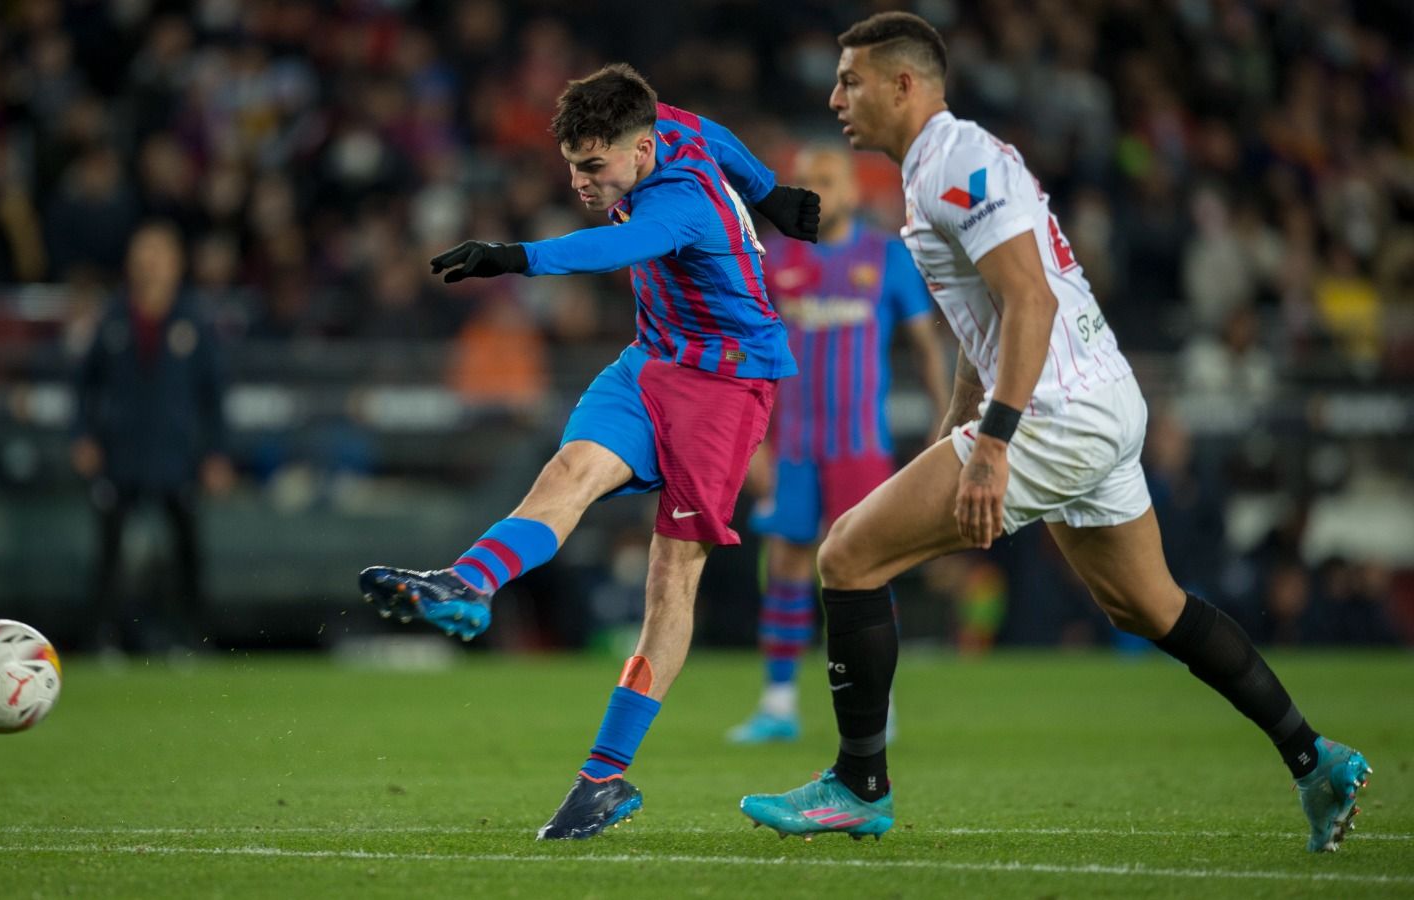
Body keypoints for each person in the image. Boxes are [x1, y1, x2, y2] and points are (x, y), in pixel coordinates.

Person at [739, 12, 1370, 853]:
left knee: (847, 554)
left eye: (850, 80)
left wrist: (990, 446)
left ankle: (859, 784)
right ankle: (1315, 758)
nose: (835, 96)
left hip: (1057, 411)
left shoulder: (954, 161)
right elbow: (991, 323)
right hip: (1099, 401)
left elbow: (1029, 298)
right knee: (1147, 604)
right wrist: (958, 428)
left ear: (904, 84)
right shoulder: (941, 165)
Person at [359, 63, 819, 840]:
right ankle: (468, 585)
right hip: (652, 359)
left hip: (726, 386)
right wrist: (770, 190)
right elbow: (710, 128)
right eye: (572, 163)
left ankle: (604, 778)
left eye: (594, 166)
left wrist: (514, 257)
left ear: (641, 152)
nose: (580, 179)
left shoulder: (681, 203)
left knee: (672, 576)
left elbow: (614, 251)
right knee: (566, 470)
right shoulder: (661, 125)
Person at [728, 146, 947, 744]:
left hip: (861, 449)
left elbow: (926, 349)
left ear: (851, 189)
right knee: (787, 566)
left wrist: (943, 423)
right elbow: (749, 362)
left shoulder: (887, 258)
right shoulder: (773, 262)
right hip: (793, 446)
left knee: (867, 571)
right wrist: (753, 447)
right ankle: (777, 704)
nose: (814, 190)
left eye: (826, 180)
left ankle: (881, 703)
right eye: (804, 182)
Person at [73, 220, 232, 654]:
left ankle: (194, 640)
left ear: (176, 264)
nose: (150, 266)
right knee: (108, 557)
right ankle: (102, 641)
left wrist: (216, 452)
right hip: (121, 453)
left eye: (158, 257)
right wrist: (83, 436)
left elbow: (213, 394)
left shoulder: (192, 321)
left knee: (187, 556)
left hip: (175, 456)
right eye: (143, 257)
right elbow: (84, 384)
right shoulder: (113, 319)